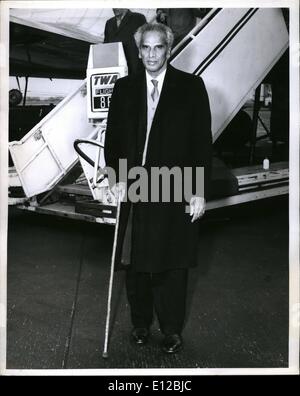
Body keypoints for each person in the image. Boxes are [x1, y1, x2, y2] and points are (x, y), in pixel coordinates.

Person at [104, 23, 212, 354]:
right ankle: (140, 324)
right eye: (146, 48)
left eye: (158, 48)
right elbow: (114, 140)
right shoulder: (124, 88)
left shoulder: (191, 87)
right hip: (135, 183)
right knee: (135, 260)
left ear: (169, 49)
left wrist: (198, 190)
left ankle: (171, 329)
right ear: (139, 51)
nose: (152, 54)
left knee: (172, 259)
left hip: (175, 184)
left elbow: (200, 143)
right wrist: (116, 178)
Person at [104, 9, 146, 74]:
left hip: (135, 69)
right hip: (116, 70)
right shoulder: (109, 23)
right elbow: (106, 46)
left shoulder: (138, 18)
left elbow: (146, 42)